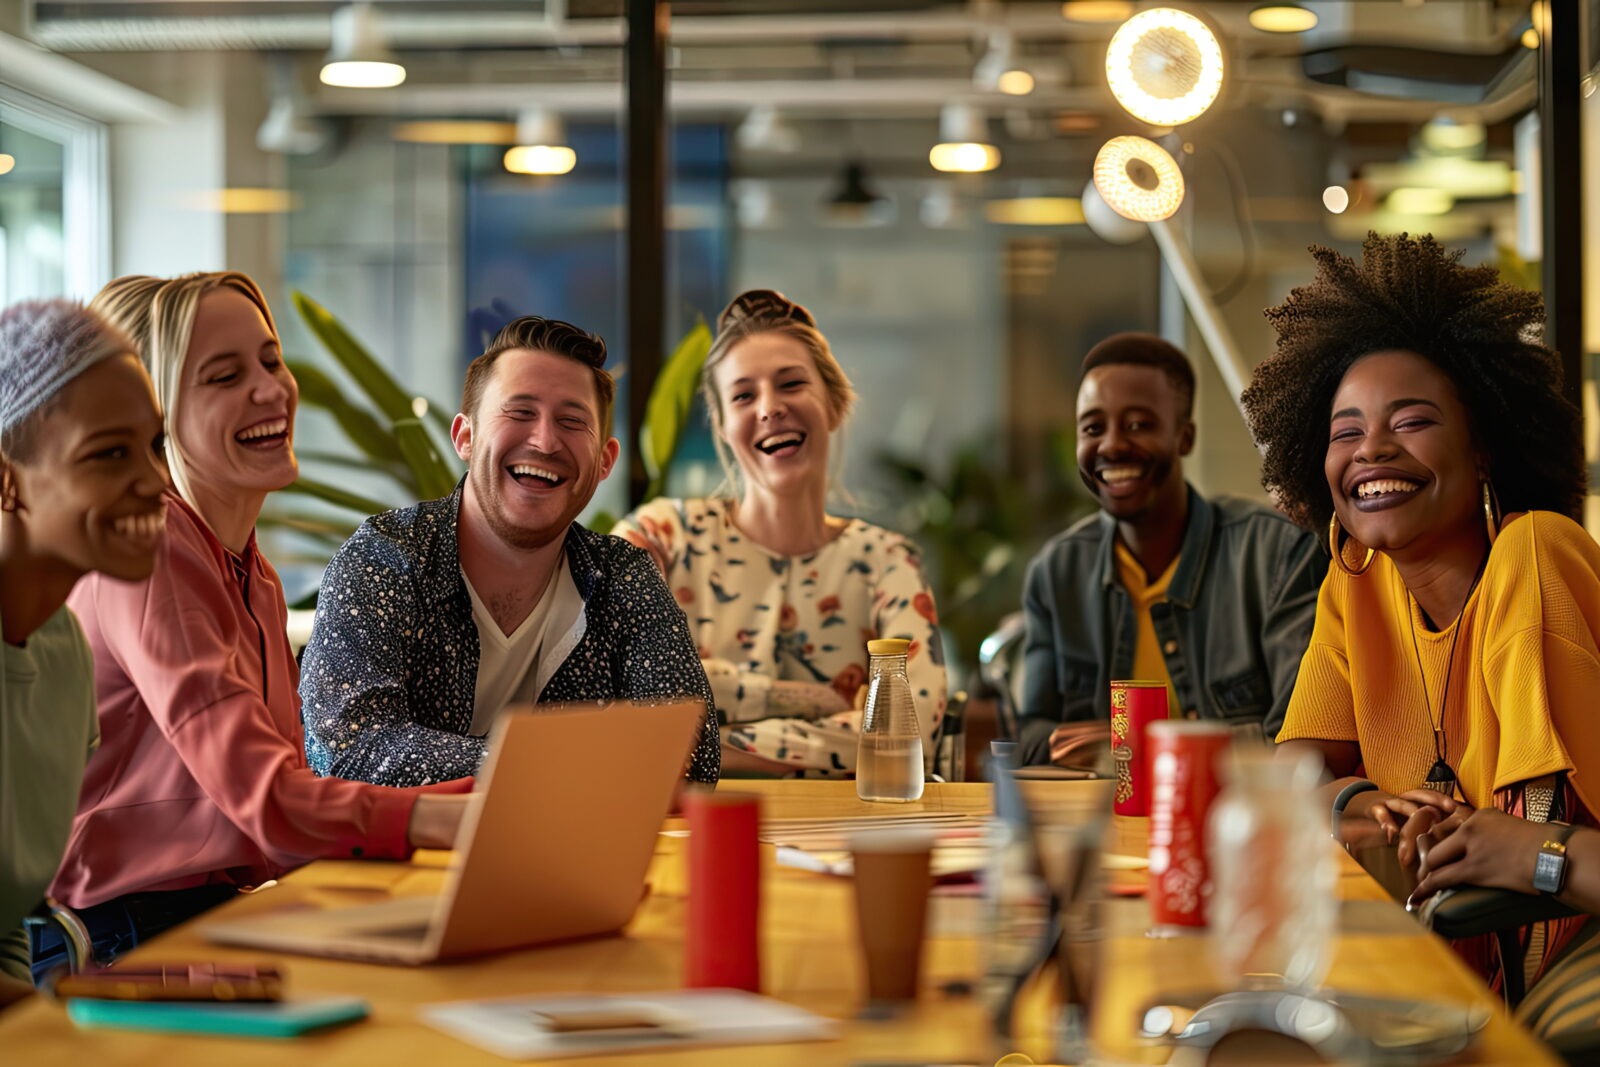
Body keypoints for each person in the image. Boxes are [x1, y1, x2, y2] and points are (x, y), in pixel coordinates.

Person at [35, 273, 474, 978]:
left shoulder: (251, 571)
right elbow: (268, 802)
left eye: (271, 360)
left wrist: (490, 797)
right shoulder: (149, 547)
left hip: (207, 911)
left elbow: (279, 821)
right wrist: (453, 816)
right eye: (224, 375)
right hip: (114, 939)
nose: (272, 389)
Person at [1243, 232, 1599, 1001]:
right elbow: (1291, 776)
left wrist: (1539, 854)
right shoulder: (1358, 579)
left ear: (1482, 452)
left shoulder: (1535, 555)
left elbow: (1536, 842)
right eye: (1345, 431)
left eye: (1411, 421)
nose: (1371, 449)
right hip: (1445, 989)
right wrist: (1368, 803)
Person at [298, 315, 720, 787]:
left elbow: (690, 756)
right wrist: (560, 764)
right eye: (519, 413)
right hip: (399, 854)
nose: (544, 440)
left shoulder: (623, 578)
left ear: (604, 461)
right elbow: (352, 748)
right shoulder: (386, 559)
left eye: (572, 421)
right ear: (465, 436)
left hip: (578, 854)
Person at [613, 290, 947, 777]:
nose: (769, 408)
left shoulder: (889, 561)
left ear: (834, 404)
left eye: (791, 384)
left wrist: (708, 742)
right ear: (723, 426)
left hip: (846, 838)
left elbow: (909, 731)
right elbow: (621, 706)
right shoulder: (659, 536)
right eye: (743, 395)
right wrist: (820, 706)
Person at [1016, 332, 1322, 765]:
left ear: (1184, 438)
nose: (1112, 445)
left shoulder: (1274, 553)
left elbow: (1302, 741)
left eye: (1139, 424)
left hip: (1233, 822)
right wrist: (1073, 744)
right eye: (1093, 428)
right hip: (1105, 822)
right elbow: (1029, 736)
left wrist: (1146, 750)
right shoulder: (1056, 572)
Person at [0, 301, 166, 1003]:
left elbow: (7, 914)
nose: (156, 482)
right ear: (7, 480)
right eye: (110, 454)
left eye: (155, 445)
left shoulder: (63, 650)